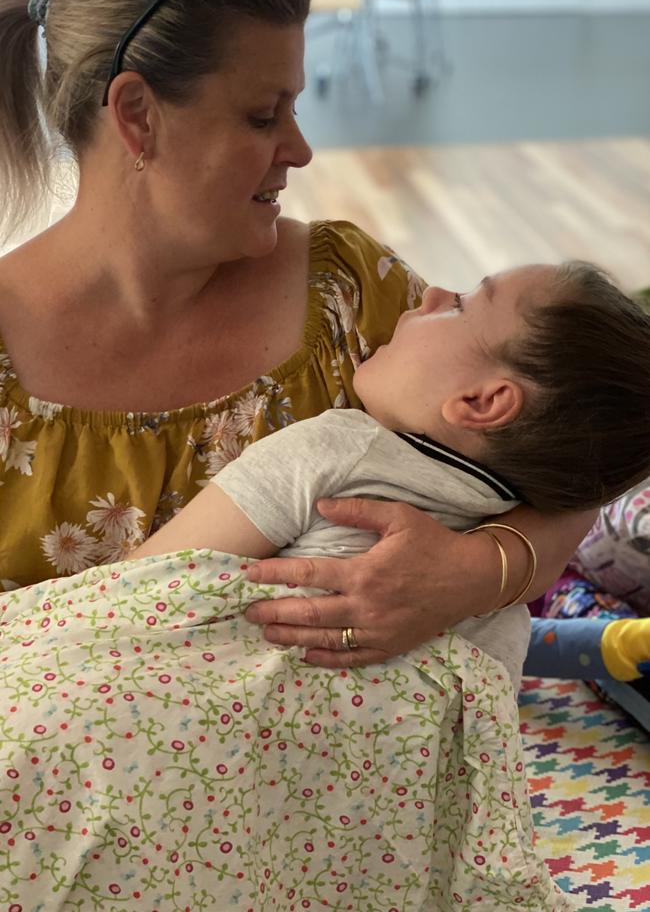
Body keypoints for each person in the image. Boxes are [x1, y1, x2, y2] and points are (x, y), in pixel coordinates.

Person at [0, 0, 595, 671]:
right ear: (137, 116)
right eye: (262, 115)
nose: (302, 148)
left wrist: (471, 573)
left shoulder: (348, 293)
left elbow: (575, 451)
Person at [135, 259, 650, 690]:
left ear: (482, 401)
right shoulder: (507, 607)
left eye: (461, 304)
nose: (432, 293)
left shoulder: (336, 449)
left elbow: (128, 593)